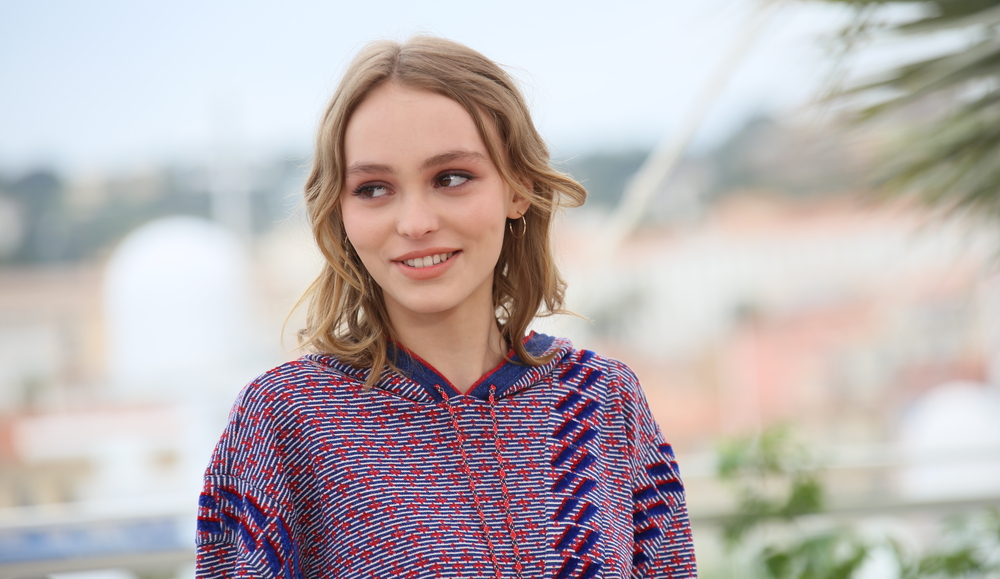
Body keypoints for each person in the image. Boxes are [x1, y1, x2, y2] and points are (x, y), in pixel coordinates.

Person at [195, 37, 697, 578]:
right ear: (339, 210)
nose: (414, 222)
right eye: (373, 188)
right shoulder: (285, 421)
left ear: (518, 189)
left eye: (451, 178)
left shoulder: (603, 401)